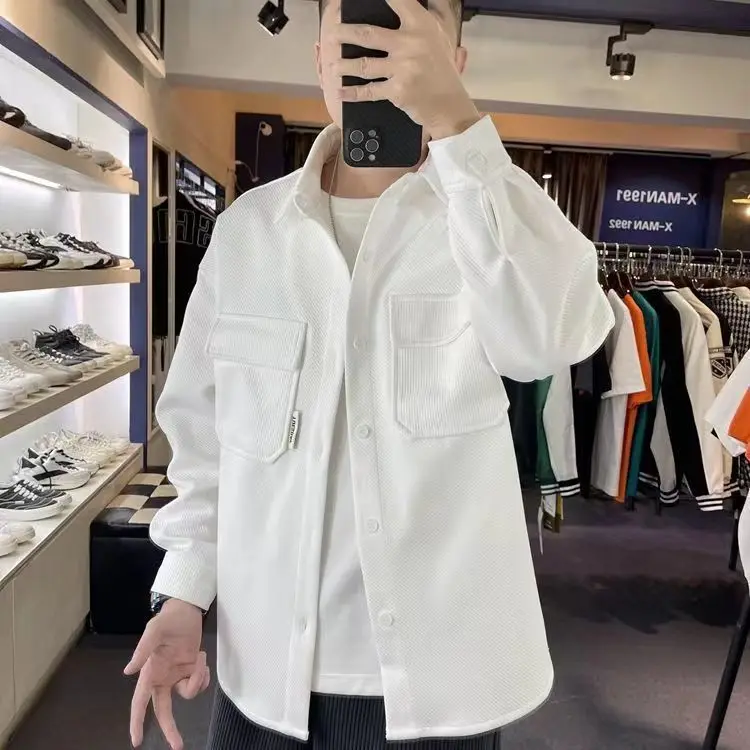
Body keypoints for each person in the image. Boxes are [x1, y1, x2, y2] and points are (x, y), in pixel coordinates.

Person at [125, 0, 615, 747]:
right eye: (354, 35)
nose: (377, 52)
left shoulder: (488, 223)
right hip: (265, 674)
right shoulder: (248, 234)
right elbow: (206, 439)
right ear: (320, 58)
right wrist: (185, 593)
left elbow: (553, 339)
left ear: (454, 62)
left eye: (407, 31)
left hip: (436, 684)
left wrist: (458, 126)